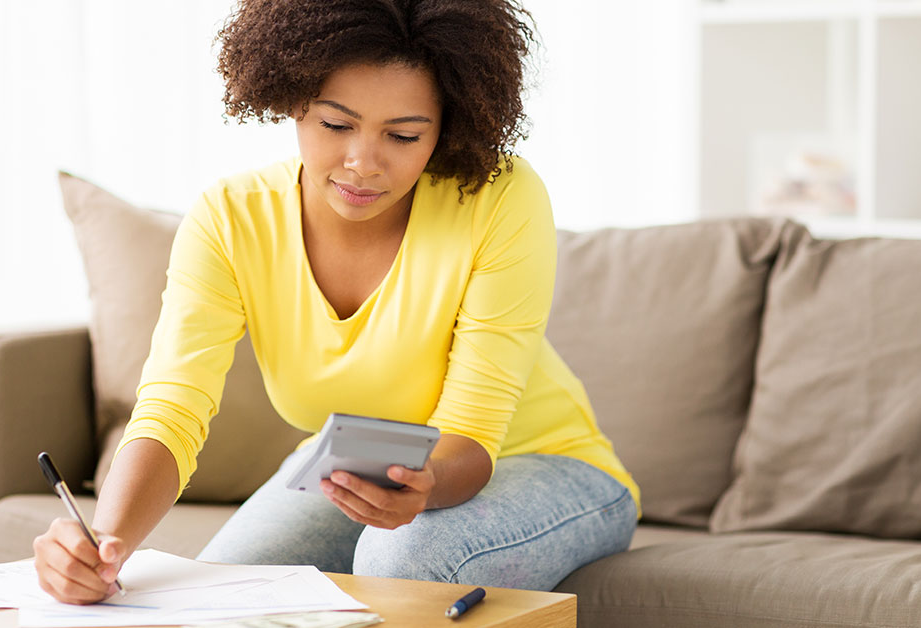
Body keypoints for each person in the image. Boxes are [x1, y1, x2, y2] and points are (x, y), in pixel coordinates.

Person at [33, 0, 640, 604]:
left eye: (403, 135)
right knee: (224, 589)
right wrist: (102, 547)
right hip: (351, 477)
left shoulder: (495, 198)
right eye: (335, 125)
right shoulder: (230, 219)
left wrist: (423, 486)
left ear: (446, 127)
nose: (362, 163)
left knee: (400, 556)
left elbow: (472, 435)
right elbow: (172, 409)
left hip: (550, 467)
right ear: (292, 99)